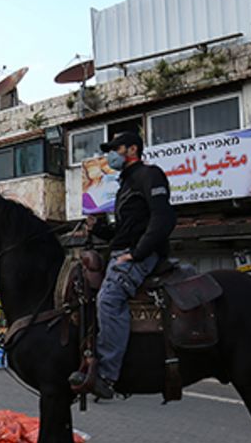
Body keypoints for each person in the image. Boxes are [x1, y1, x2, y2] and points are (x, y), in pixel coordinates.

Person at [69, 130, 176, 400]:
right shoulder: (125, 184)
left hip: (138, 255)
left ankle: (106, 375)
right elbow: (125, 230)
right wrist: (101, 228)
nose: (109, 155)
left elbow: (163, 219)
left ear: (131, 150)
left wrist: (138, 253)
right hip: (121, 251)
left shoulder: (150, 175)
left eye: (115, 149)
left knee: (109, 299)